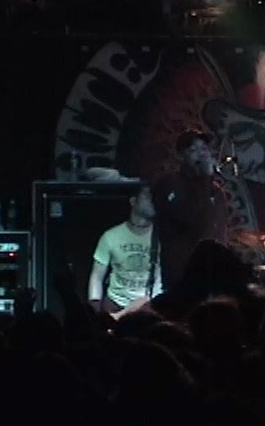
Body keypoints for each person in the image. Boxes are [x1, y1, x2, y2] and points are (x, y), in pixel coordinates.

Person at [152, 130, 227, 290]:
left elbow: (220, 230)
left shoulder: (215, 190)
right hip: (180, 272)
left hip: (210, 271)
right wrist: (205, 179)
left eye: (204, 149)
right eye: (193, 150)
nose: (201, 154)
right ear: (181, 156)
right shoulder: (169, 183)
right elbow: (188, 218)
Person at [87, 183, 162, 320]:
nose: (152, 200)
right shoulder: (110, 236)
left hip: (149, 307)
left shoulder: (163, 237)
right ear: (133, 201)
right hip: (115, 304)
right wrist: (95, 309)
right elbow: (97, 277)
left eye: (154, 197)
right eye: (147, 196)